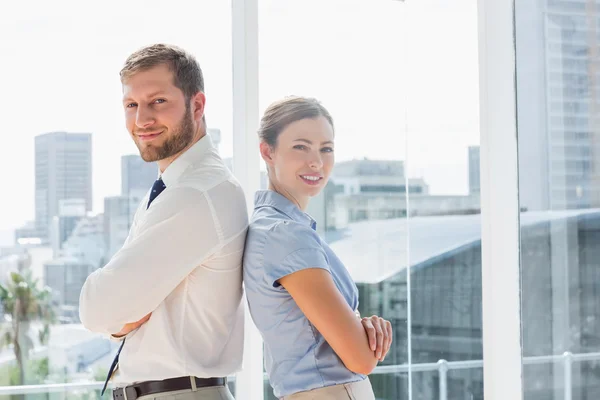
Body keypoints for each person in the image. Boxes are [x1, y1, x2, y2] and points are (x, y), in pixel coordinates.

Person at [79, 44, 247, 400]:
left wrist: (118, 314)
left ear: (197, 105)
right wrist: (122, 314)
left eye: (157, 102)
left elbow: (98, 307)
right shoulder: (173, 188)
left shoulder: (197, 194)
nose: (142, 120)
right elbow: (118, 309)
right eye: (131, 105)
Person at [243, 96, 393, 399]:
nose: (316, 161)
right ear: (267, 151)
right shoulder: (286, 235)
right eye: (301, 147)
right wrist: (365, 332)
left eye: (326, 149)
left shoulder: (271, 227)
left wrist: (356, 325)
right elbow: (361, 358)